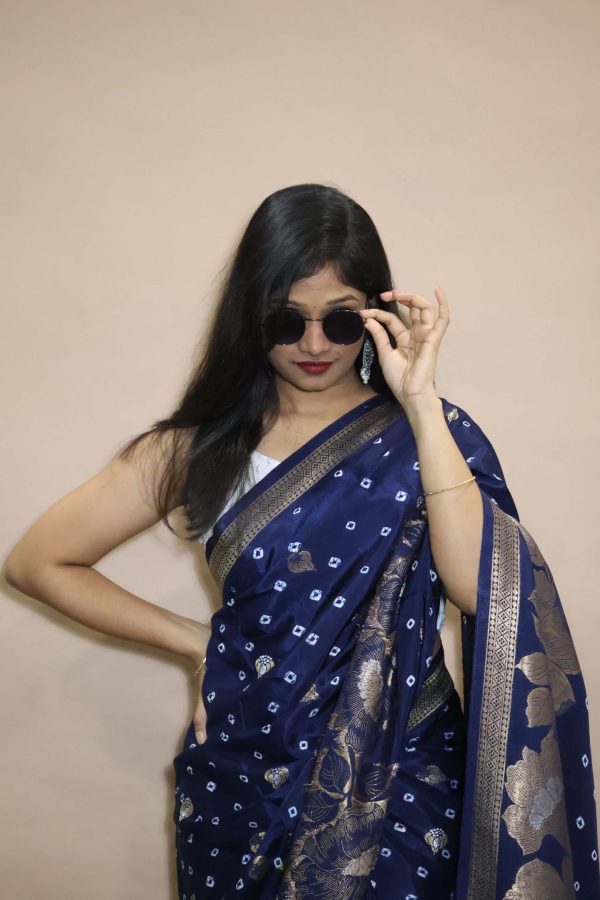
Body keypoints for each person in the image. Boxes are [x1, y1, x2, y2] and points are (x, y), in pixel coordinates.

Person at [5, 183, 599, 899]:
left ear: (375, 314)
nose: (314, 346)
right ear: (251, 317)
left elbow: (481, 591)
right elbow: (37, 562)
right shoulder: (199, 447)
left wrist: (419, 402)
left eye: (340, 322)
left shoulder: (429, 436)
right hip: (245, 778)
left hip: (403, 773)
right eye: (287, 321)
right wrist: (196, 644)